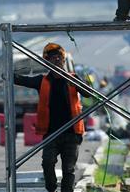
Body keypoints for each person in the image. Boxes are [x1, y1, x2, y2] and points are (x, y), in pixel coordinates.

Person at [14, 43, 84, 192]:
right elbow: (21, 80)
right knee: (47, 162)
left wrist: (80, 82)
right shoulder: (42, 81)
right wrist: (9, 74)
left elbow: (88, 93)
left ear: (64, 61)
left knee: (68, 169)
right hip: (51, 133)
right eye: (53, 58)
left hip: (72, 134)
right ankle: (51, 189)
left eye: (59, 57)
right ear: (47, 62)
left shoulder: (73, 79)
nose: (57, 60)